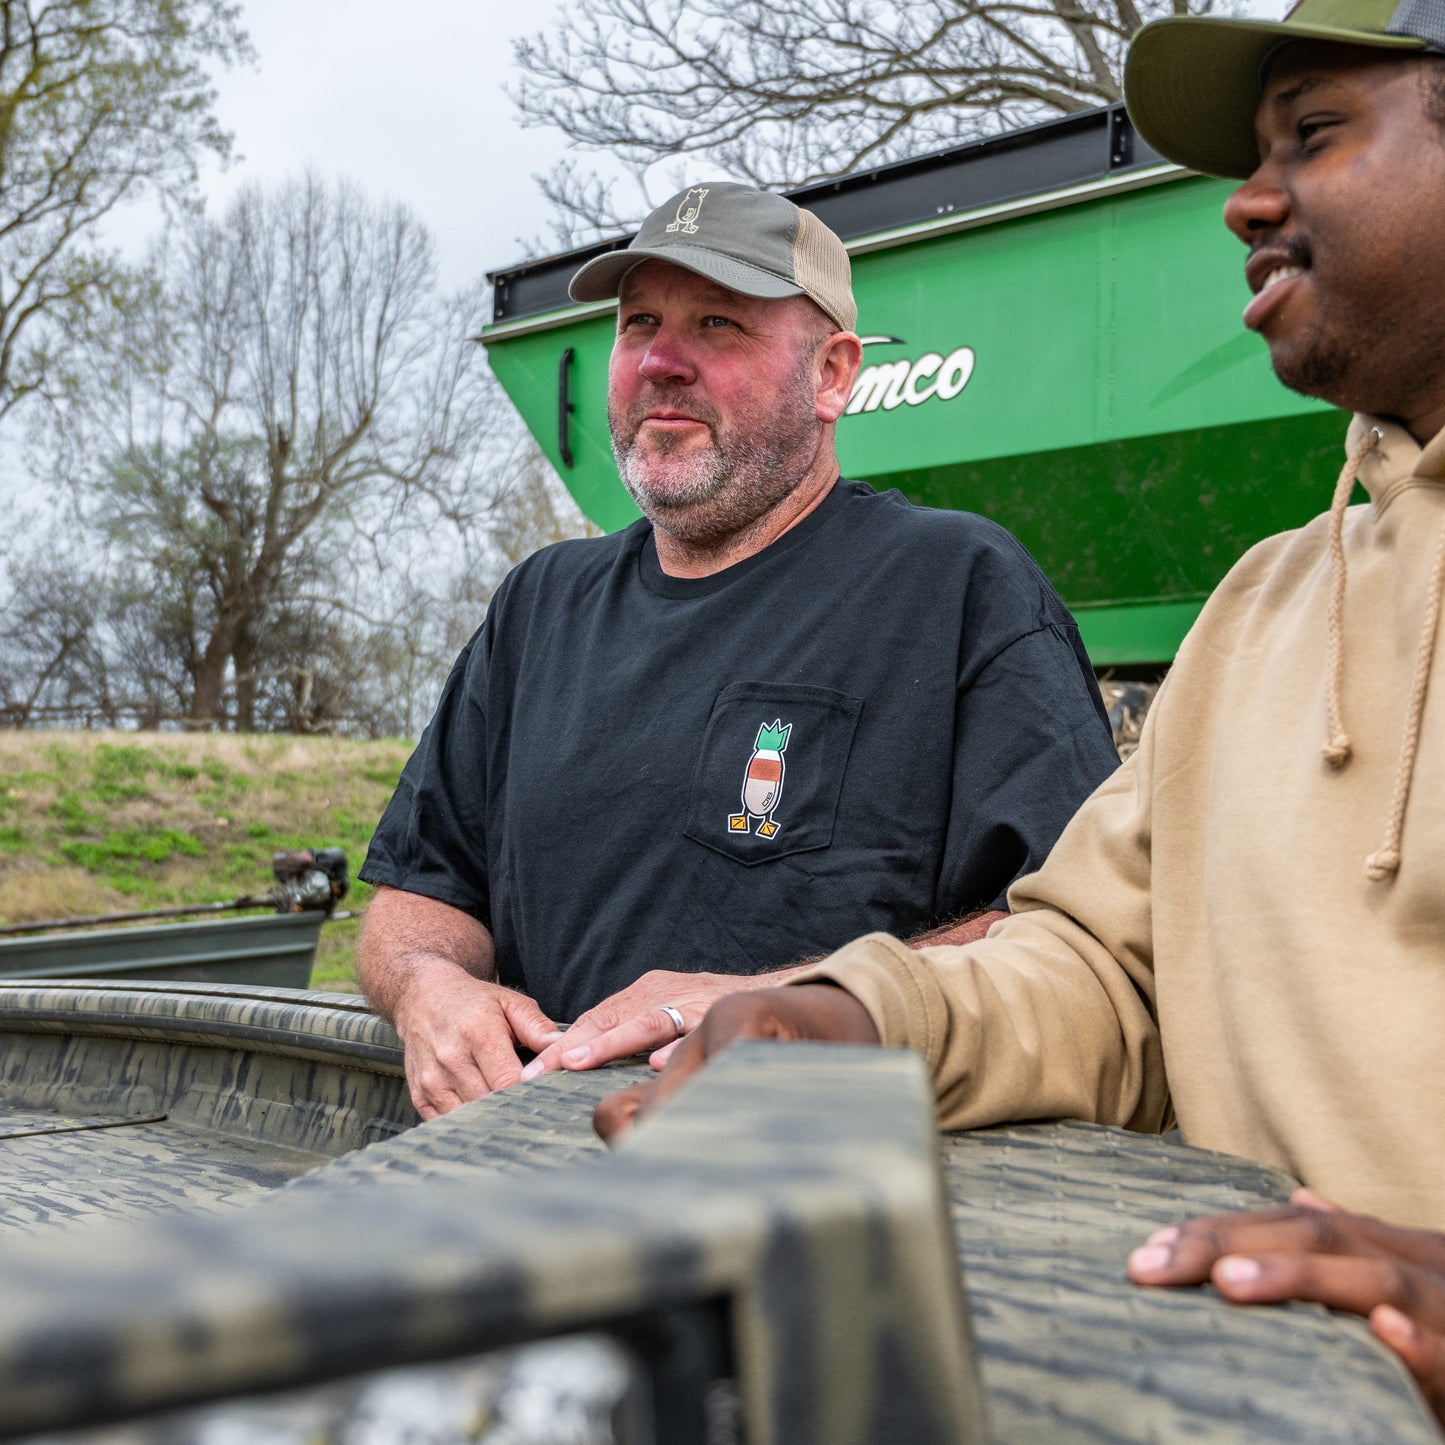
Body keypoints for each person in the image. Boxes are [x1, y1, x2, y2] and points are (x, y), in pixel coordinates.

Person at [594, 5, 1445, 1423]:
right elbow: (1108, 976)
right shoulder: (1260, 609)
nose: (1245, 199)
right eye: (1252, 153)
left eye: (1313, 134)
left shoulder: (956, 584)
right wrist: (850, 1017)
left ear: (836, 372)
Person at [357, 182, 1120, 1120]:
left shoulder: (956, 586)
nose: (661, 361)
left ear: (833, 374)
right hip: (528, 1183)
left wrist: (789, 1006)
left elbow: (1072, 942)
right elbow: (417, 895)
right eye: (638, 323)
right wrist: (429, 989)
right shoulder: (539, 605)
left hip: (825, 1191)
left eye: (717, 323)